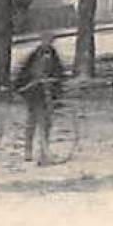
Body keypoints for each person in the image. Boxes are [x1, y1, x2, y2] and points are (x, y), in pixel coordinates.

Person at [14, 32, 66, 164]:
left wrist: (56, 83)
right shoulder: (34, 55)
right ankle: (29, 150)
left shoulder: (53, 55)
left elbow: (59, 72)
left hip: (46, 93)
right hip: (33, 92)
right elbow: (26, 72)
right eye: (46, 40)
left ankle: (43, 151)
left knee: (46, 122)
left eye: (50, 41)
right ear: (41, 41)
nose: (48, 43)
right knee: (33, 121)